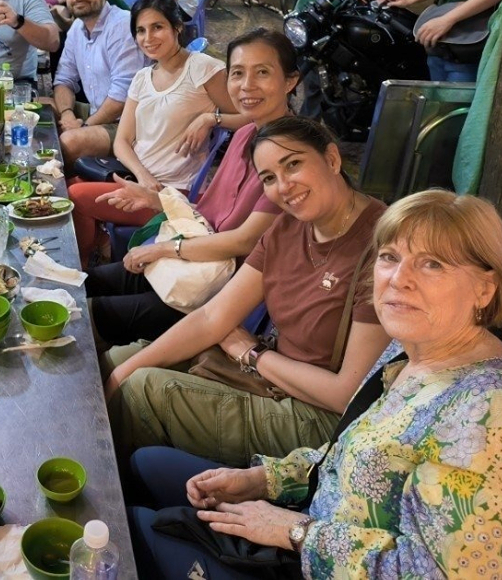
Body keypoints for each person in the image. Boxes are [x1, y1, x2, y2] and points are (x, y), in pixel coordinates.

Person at [128, 190, 502, 580]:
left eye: (432, 264)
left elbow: (430, 573)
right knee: (146, 464)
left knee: (131, 528)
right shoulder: (410, 351)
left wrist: (293, 532)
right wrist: (265, 480)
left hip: (318, 558)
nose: (399, 279)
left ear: (485, 288)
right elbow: (351, 457)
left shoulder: (497, 418)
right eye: (389, 257)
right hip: (314, 527)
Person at [106, 116, 390, 465]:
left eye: (294, 165)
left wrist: (253, 355)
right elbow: (213, 315)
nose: (284, 186)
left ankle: (123, 497)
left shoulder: (384, 248)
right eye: (269, 178)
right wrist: (123, 370)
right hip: (271, 377)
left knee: (140, 391)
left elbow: (346, 394)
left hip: (320, 415)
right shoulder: (286, 227)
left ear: (332, 159)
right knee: (118, 363)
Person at [87, 29, 297, 346]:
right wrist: (155, 200)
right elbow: (208, 217)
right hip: (193, 262)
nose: (247, 86)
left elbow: (243, 242)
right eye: (237, 73)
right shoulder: (245, 133)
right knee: (89, 282)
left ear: (290, 81)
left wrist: (161, 248)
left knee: (91, 317)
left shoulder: (291, 155)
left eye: (263, 73)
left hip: (218, 289)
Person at [69, 0, 239, 266]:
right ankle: (100, 253)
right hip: (140, 180)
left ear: (177, 28)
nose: (148, 37)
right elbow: (122, 141)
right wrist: (142, 175)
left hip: (172, 193)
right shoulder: (142, 78)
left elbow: (250, 116)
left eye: (157, 27)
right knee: (70, 185)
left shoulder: (202, 68)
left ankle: (81, 271)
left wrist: (211, 118)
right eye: (140, 30)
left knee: (73, 197)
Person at [53, 0, 144, 169]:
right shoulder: (77, 28)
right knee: (40, 107)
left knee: (70, 142)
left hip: (128, 125)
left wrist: (83, 126)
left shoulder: (122, 25)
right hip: (98, 114)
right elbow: (63, 79)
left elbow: (122, 96)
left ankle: (60, 193)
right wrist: (67, 114)